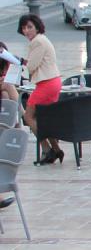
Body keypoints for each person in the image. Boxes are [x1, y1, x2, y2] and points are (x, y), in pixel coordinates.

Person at [16, 15, 63, 165]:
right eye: (24, 28)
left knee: (28, 117)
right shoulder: (42, 39)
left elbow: (31, 66)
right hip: (51, 81)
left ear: (37, 26)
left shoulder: (37, 42)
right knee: (44, 118)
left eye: (29, 27)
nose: (26, 30)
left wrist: (22, 63)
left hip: (46, 83)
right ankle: (55, 149)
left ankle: (48, 149)